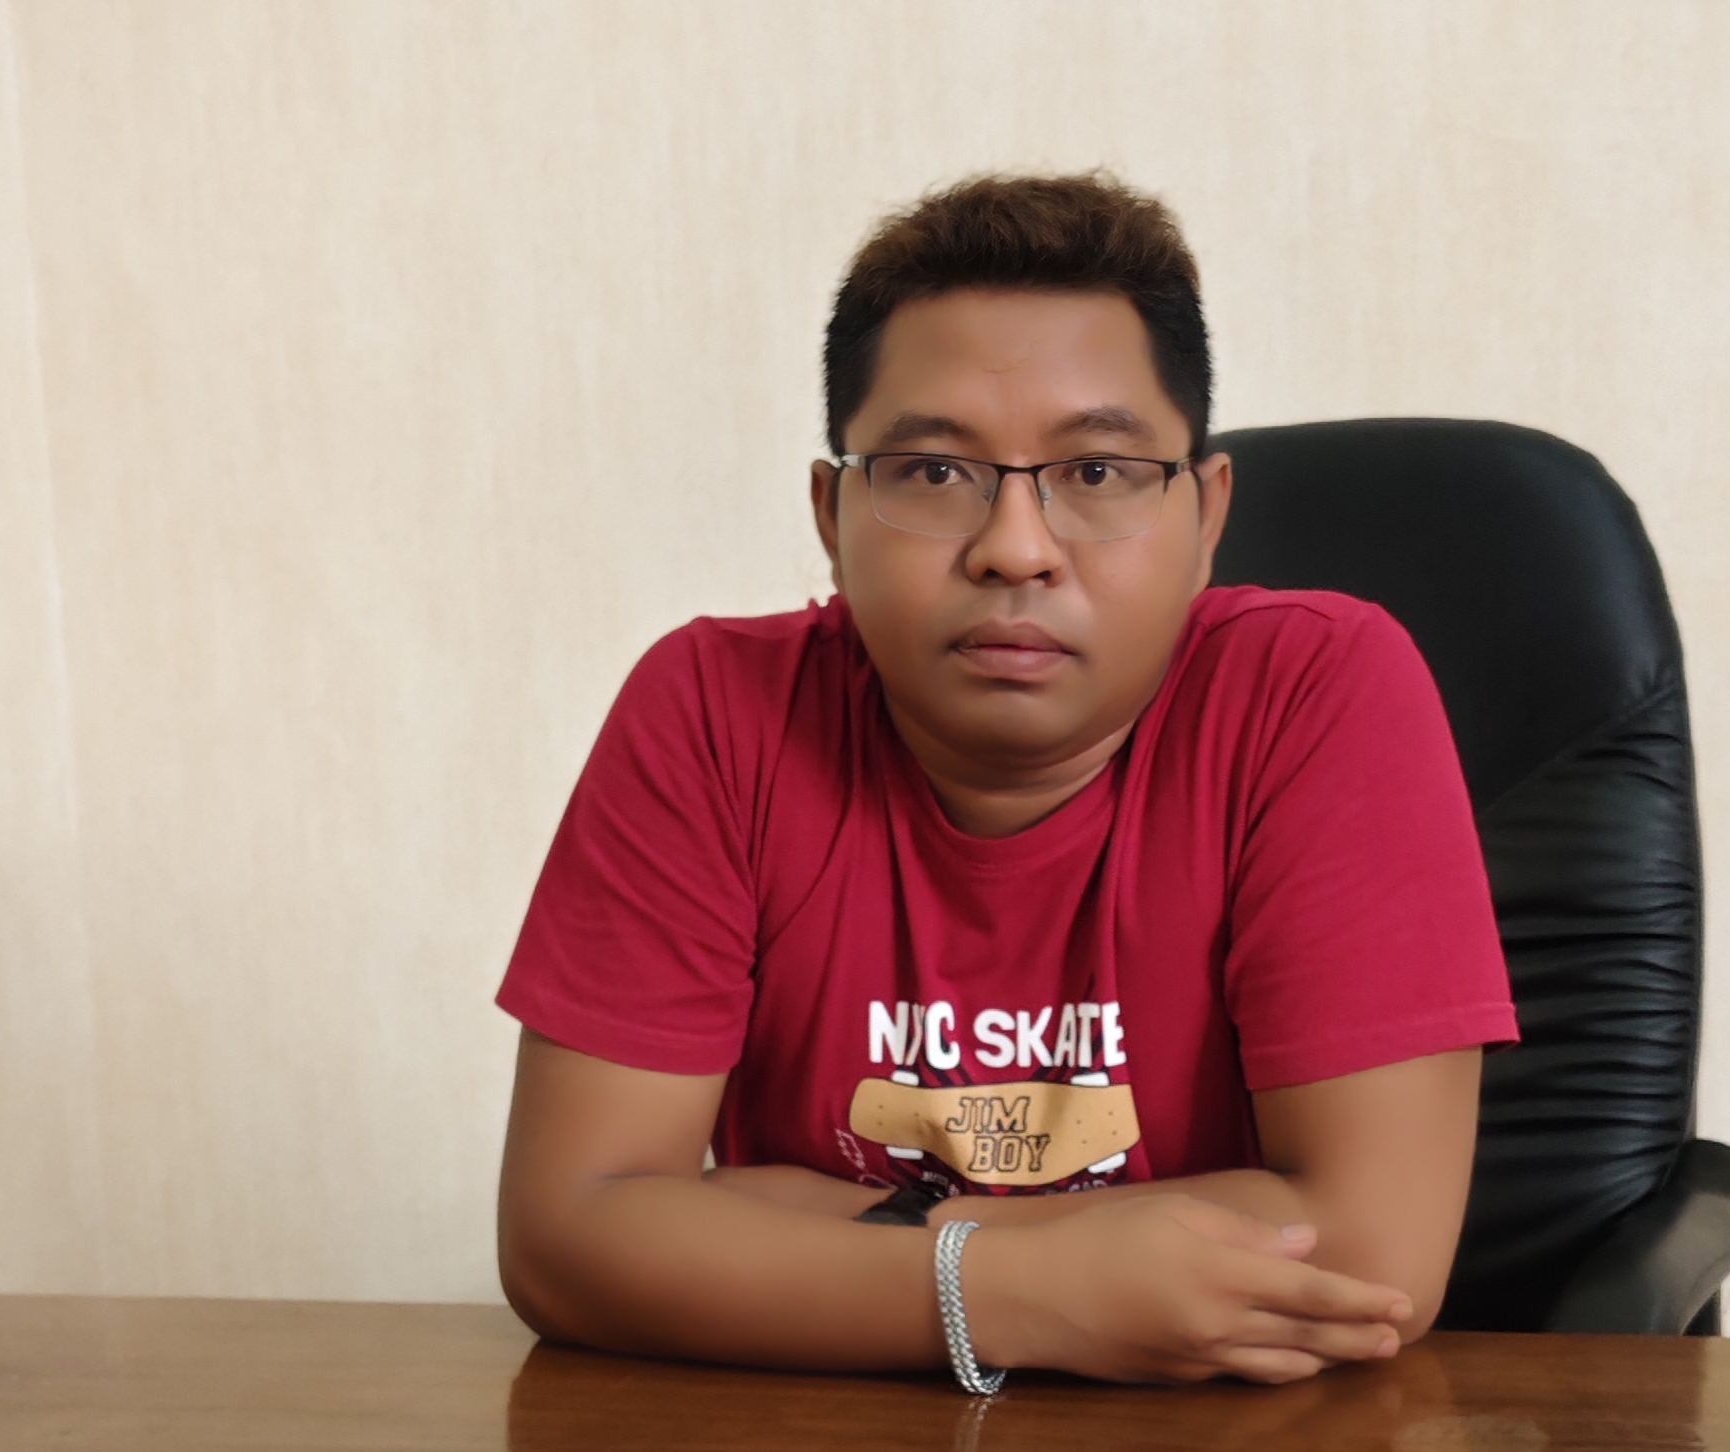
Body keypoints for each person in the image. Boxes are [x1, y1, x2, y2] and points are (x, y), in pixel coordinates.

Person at [493, 173, 1516, 1387]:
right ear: (831, 516)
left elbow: (1370, 1252)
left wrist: (827, 1227)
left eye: (1097, 473)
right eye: (932, 474)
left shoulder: (1316, 691)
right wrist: (1019, 1293)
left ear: (1205, 518)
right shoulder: (713, 710)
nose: (1015, 549)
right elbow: (567, 1240)